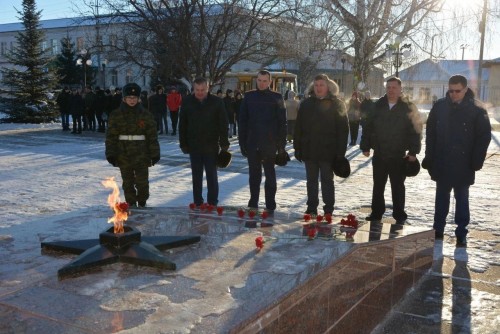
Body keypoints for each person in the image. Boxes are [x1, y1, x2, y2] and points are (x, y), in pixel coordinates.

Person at [423, 75, 491, 247]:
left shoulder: (477, 109)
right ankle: (438, 229)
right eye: (451, 90)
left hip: (464, 163)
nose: (453, 94)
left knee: (462, 199)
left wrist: (477, 160)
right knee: (441, 198)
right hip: (442, 161)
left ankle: (461, 233)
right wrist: (429, 157)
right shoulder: (439, 107)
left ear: (465, 89)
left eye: (457, 91)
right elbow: (430, 133)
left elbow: (483, 137)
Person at [360, 77, 422, 223]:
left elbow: (416, 130)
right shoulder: (378, 105)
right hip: (380, 153)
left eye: (394, 87)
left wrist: (413, 152)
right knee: (378, 186)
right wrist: (365, 146)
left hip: (398, 155)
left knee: (398, 187)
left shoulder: (408, 107)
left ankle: (399, 215)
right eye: (388, 87)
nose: (391, 90)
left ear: (400, 89)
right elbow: (368, 127)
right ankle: (376, 213)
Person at [293, 74, 349, 215]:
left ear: (328, 86)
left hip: (328, 151)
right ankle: (311, 207)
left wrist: (340, 154)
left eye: (321, 85)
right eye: (316, 85)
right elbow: (298, 127)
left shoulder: (337, 104)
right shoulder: (306, 104)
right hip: (309, 150)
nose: (318, 88)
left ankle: (328, 208)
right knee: (311, 181)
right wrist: (297, 147)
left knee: (327, 181)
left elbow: (343, 130)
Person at [239, 70, 287, 213]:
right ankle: (253, 201)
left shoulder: (277, 97)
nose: (261, 83)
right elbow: (242, 121)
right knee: (254, 175)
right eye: (259, 80)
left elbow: (282, 123)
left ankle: (270, 203)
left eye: (265, 81)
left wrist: (281, 146)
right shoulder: (248, 97)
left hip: (270, 143)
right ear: (256, 80)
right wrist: (242, 142)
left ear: (270, 82)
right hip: (252, 142)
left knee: (270, 174)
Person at [105, 83, 160, 208]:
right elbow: (111, 136)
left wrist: (155, 153)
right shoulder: (116, 115)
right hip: (123, 153)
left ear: (139, 98)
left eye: (134, 97)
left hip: (142, 153)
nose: (132, 100)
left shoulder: (145, 115)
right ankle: (131, 205)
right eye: (129, 97)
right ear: (124, 98)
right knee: (128, 182)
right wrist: (111, 153)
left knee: (142, 183)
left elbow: (152, 136)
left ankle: (142, 203)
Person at [179, 77, 229, 207]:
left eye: (203, 90)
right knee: (196, 176)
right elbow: (182, 124)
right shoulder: (187, 102)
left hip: (211, 145)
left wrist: (224, 144)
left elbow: (223, 124)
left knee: (212, 176)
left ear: (208, 88)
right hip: (193, 145)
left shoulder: (217, 102)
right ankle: (197, 201)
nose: (200, 92)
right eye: (197, 90)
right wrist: (183, 143)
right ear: (193, 89)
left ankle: (212, 202)